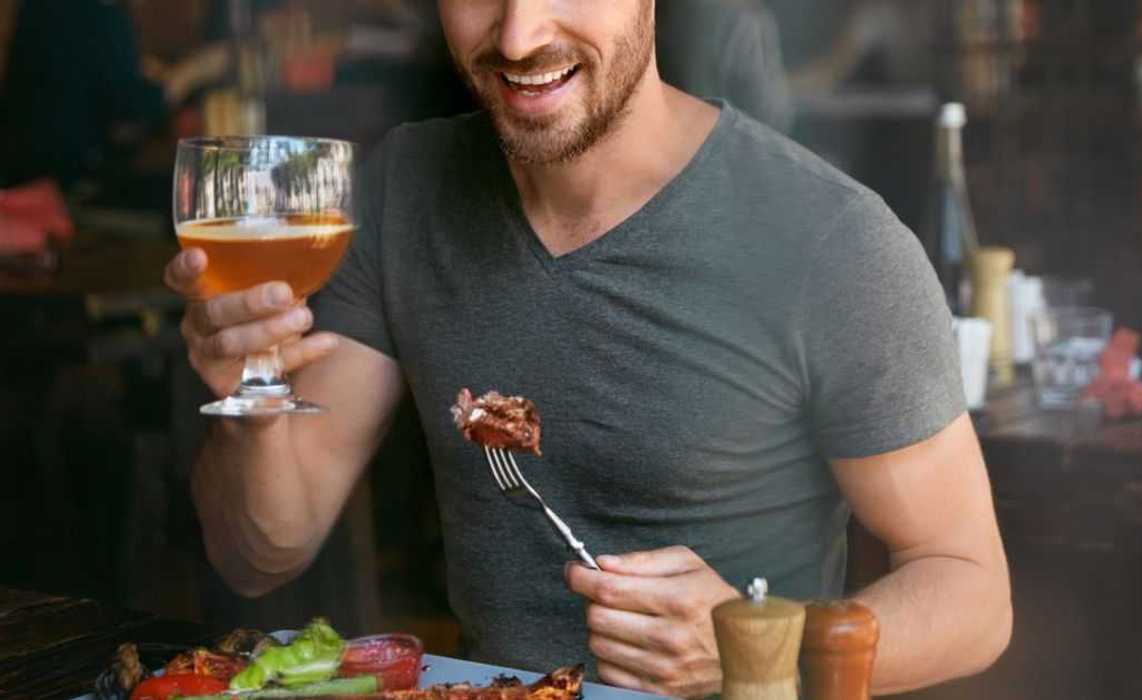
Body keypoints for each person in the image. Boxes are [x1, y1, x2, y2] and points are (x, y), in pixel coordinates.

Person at [165, 1, 1012, 696]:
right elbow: (262, 552)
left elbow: (971, 593)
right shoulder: (404, 189)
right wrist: (251, 399)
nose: (519, 34)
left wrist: (760, 650)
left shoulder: (830, 239)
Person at [0, 0, 228, 189]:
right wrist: (194, 71)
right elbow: (132, 110)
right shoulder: (100, 12)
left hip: (23, 172)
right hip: (66, 182)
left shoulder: (44, 6)